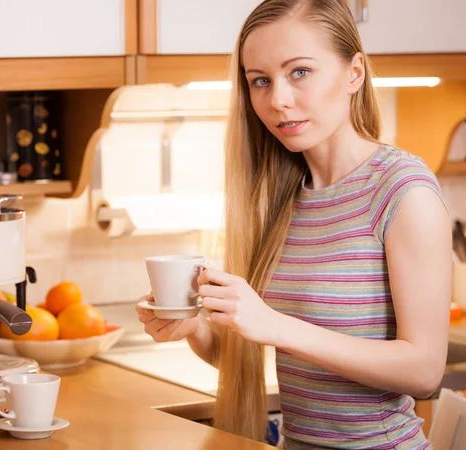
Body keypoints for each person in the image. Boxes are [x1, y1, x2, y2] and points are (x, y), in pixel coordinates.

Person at [136, 0, 452, 448]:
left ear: (354, 73)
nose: (278, 100)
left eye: (299, 72)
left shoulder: (402, 191)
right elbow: (255, 355)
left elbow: (423, 372)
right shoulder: (284, 196)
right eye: (260, 81)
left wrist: (275, 325)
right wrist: (196, 330)